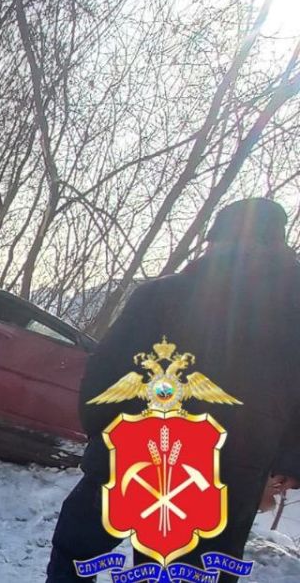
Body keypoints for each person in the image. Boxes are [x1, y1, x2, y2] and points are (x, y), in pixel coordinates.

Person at [46, 198, 300, 582]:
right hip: (230, 473)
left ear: (216, 242)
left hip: (134, 451)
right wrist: (288, 462)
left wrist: (105, 434)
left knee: (77, 554)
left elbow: (104, 374)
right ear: (278, 246)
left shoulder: (159, 297)